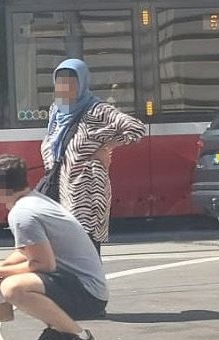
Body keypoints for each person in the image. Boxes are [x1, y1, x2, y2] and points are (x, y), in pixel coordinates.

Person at [0, 153, 109, 340]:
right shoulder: (33, 201)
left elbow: (44, 264)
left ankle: (78, 337)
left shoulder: (23, 214)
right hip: (83, 286)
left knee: (13, 288)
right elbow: (28, 251)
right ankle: (57, 329)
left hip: (87, 294)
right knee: (11, 278)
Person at [41, 58, 147, 249]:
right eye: (60, 83)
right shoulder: (56, 111)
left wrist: (108, 147)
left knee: (85, 248)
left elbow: (136, 128)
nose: (64, 89)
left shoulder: (96, 110)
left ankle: (91, 279)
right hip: (59, 187)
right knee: (64, 249)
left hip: (86, 192)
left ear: (81, 84)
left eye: (71, 84)